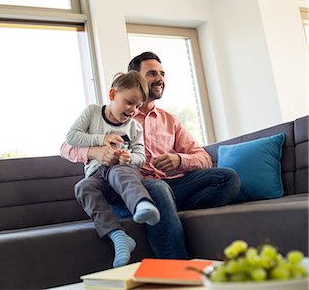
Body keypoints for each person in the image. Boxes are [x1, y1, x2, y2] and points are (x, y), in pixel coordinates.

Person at [61, 51, 240, 259]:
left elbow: (204, 158)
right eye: (152, 73)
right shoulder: (116, 113)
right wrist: (96, 151)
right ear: (135, 79)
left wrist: (179, 160)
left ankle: (165, 209)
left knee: (227, 178)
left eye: (162, 73)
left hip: (171, 184)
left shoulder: (170, 120)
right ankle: (176, 268)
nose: (160, 79)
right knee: (157, 189)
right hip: (131, 188)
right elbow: (66, 146)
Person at [66, 71, 160, 268]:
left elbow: (141, 157)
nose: (133, 110)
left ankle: (142, 205)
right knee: (82, 187)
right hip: (97, 176)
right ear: (112, 94)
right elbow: (72, 137)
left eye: (137, 106)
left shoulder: (134, 127)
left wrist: (129, 158)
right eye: (129, 102)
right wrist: (101, 140)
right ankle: (118, 236)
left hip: (122, 172)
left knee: (118, 171)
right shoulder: (92, 113)